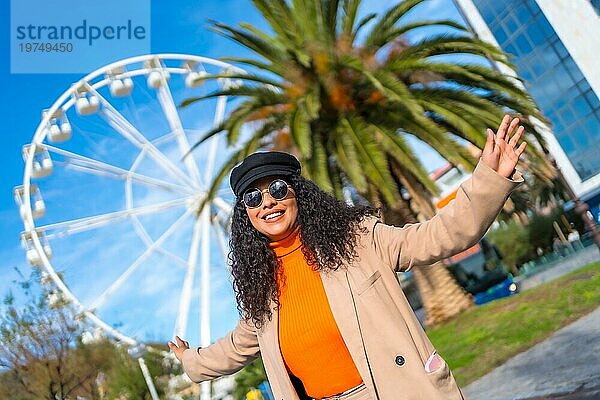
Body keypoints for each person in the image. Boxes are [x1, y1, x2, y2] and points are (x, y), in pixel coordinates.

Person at [168, 115, 527, 400]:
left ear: (299, 194)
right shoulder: (262, 289)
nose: (268, 203)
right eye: (254, 199)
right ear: (245, 215)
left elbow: (437, 236)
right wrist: (191, 361)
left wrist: (489, 179)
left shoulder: (357, 240)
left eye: (277, 189)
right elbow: (235, 347)